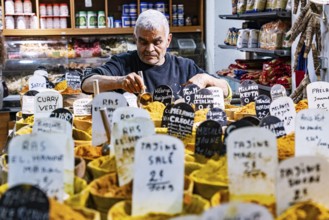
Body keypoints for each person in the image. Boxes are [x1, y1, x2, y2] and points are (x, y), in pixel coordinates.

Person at [81, 9, 231, 100]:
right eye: (143, 42)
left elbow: (225, 90)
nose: (150, 49)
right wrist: (120, 81)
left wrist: (205, 78)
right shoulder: (122, 63)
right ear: (135, 39)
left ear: (168, 40)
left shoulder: (184, 66)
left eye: (157, 42)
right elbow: (87, 84)